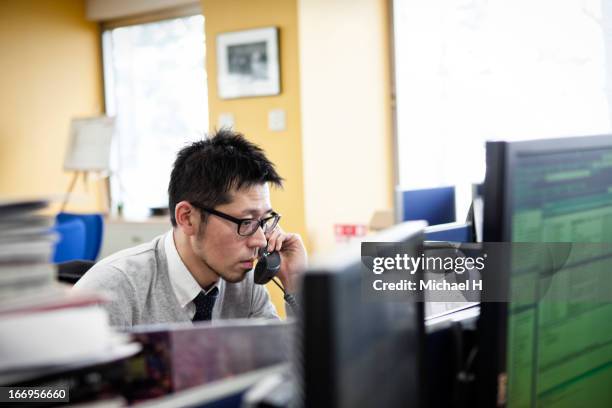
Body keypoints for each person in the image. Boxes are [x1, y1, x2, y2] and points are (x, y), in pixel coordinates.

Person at [74, 130, 307, 327]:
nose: (260, 241)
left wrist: (295, 282)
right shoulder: (111, 292)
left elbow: (289, 369)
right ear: (187, 218)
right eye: (246, 222)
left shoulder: (243, 283)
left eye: (264, 221)